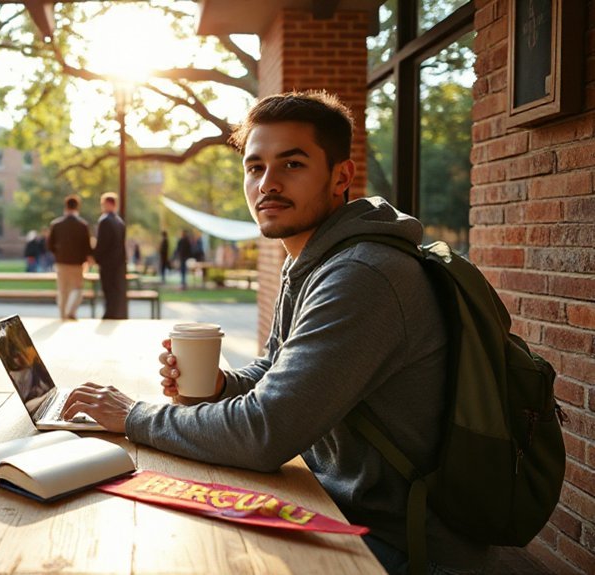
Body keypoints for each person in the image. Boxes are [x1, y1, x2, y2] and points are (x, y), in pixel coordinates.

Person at [59, 91, 488, 574]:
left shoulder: (363, 274)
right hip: (329, 502)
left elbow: (265, 432)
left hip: (393, 542)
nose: (268, 184)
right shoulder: (313, 258)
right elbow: (272, 370)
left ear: (340, 177)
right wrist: (219, 386)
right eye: (255, 167)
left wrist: (135, 416)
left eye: (293, 165)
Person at [46, 194, 92, 320]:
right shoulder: (83, 225)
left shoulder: (56, 224)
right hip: (77, 264)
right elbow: (87, 246)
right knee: (78, 289)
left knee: (62, 290)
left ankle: (62, 315)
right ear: (78, 207)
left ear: (65, 207)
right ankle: (71, 311)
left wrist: (58, 254)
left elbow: (49, 245)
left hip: (61, 262)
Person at [92, 192, 127, 319]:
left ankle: (109, 314)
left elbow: (102, 243)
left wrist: (95, 258)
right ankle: (115, 313)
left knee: (108, 290)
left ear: (107, 204)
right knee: (115, 291)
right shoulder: (119, 221)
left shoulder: (105, 220)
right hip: (118, 264)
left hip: (107, 264)